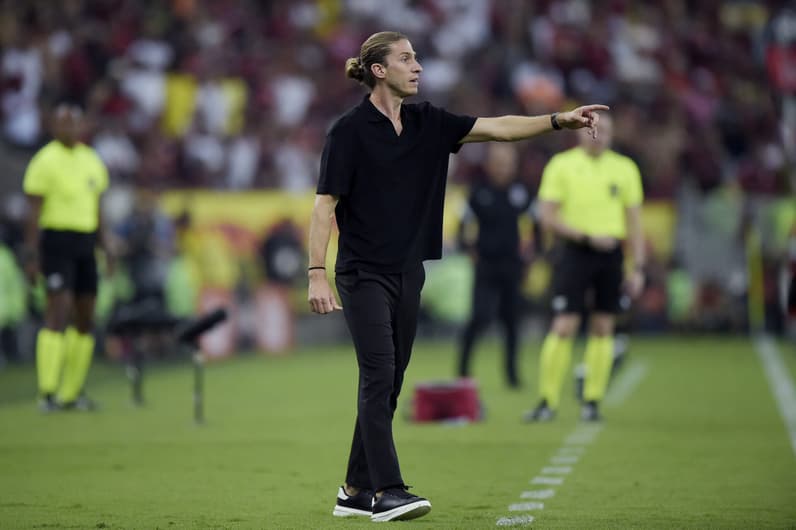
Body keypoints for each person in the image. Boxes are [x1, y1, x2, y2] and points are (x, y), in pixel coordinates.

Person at [307, 30, 607, 522]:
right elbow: (324, 207)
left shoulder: (430, 122)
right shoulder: (348, 131)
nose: (418, 66)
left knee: (391, 382)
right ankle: (388, 491)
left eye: (417, 57)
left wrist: (558, 120)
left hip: (409, 271)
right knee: (379, 376)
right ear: (379, 71)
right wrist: (317, 273)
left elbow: (501, 128)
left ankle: (353, 488)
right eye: (406, 58)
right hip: (361, 274)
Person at [524, 114, 645, 423]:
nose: (599, 135)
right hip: (575, 252)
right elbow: (548, 216)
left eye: (606, 130)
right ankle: (547, 401)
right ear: (581, 132)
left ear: (613, 134)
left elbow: (634, 223)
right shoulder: (561, 165)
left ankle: (592, 401)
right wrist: (587, 236)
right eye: (594, 129)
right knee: (564, 325)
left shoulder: (625, 168)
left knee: (603, 326)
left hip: (611, 256)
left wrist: (638, 268)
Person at [22, 103, 112, 411]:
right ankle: (47, 391)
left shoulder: (91, 160)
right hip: (57, 241)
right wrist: (31, 254)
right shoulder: (44, 161)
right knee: (57, 312)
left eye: (73, 122)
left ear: (82, 126)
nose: (68, 128)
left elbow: (98, 209)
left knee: (85, 318)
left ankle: (72, 392)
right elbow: (33, 213)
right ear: (53, 127)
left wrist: (107, 247)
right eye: (62, 123)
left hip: (86, 242)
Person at [457, 142, 532, 388]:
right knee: (479, 317)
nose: (502, 168)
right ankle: (463, 371)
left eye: (507, 163)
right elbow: (463, 226)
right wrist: (469, 250)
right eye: (498, 162)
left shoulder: (522, 192)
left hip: (512, 266)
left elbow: (537, 224)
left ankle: (512, 375)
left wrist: (534, 252)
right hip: (486, 265)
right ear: (489, 165)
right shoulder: (478, 192)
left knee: (511, 321)